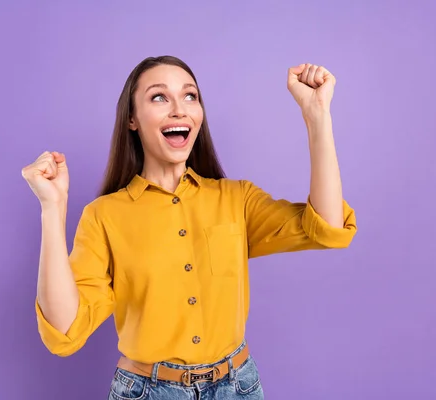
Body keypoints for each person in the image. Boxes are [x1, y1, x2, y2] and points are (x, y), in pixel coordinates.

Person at [21, 55, 357, 400]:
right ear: (132, 119)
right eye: (159, 97)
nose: (179, 109)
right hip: (148, 392)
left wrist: (317, 116)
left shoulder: (236, 199)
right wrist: (52, 207)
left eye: (190, 96)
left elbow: (328, 227)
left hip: (237, 387)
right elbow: (63, 330)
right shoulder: (104, 216)